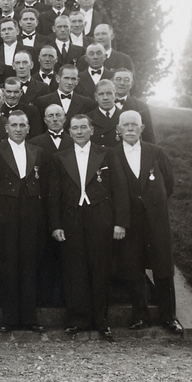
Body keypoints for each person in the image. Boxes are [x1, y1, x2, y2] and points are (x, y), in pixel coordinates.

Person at [47, 113, 127, 340]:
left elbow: (119, 189)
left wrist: (120, 222)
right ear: (69, 131)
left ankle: (101, 320)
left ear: (92, 130)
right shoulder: (60, 157)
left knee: (101, 268)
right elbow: (54, 194)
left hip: (101, 216)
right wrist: (56, 225)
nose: (79, 131)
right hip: (71, 217)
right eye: (75, 128)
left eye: (83, 127)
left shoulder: (107, 153)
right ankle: (77, 319)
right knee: (74, 269)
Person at [107, 110, 181, 333]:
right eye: (125, 125)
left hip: (156, 220)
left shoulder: (156, 152)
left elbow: (168, 184)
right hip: (129, 220)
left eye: (134, 125)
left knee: (162, 266)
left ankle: (169, 317)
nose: (130, 128)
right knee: (132, 266)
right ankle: (140, 314)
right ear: (118, 129)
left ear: (142, 128)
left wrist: (153, 203)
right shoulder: (112, 154)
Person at [0, 110, 46, 332]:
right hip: (4, 211)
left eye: (22, 125)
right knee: (7, 263)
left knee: (30, 262)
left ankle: (29, 317)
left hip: (31, 211)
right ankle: (9, 318)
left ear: (28, 128)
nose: (18, 129)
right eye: (14, 125)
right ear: (6, 128)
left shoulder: (38, 151)